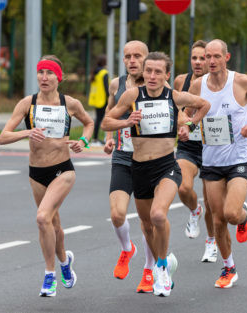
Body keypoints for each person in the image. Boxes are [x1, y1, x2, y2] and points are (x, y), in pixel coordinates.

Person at [102, 51, 211, 297]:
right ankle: (164, 261)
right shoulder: (132, 96)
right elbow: (106, 122)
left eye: (158, 72)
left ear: (167, 75)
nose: (152, 76)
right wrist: (126, 122)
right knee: (147, 225)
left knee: (158, 215)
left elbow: (204, 104)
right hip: (138, 167)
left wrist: (190, 126)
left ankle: (161, 268)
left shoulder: (174, 97)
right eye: (148, 71)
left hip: (166, 166)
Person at [0, 55, 94, 297]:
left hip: (62, 169)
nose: (44, 77)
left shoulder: (69, 103)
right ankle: (65, 262)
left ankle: (49, 275)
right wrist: (26, 133)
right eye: (40, 72)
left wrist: (83, 141)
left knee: (42, 218)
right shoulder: (27, 104)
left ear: (58, 78)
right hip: (36, 172)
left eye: (49, 73)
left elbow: (89, 123)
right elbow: (3, 137)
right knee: (52, 223)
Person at [190, 39, 247, 289]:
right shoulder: (197, 85)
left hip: (238, 157)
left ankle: (243, 216)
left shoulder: (241, 82)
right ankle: (229, 268)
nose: (211, 61)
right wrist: (188, 126)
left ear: (226, 58)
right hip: (212, 160)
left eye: (216, 56)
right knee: (217, 221)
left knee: (231, 214)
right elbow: (186, 112)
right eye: (207, 57)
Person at [102, 40, 157, 293]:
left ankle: (149, 269)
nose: (132, 60)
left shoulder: (159, 87)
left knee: (148, 220)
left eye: (137, 56)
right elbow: (109, 114)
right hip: (123, 156)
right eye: (127, 56)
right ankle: (127, 249)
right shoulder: (117, 84)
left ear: (147, 59)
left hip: (150, 159)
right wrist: (109, 136)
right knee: (117, 214)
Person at [174, 40, 217, 263]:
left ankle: (211, 241)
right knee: (183, 187)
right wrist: (183, 122)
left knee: (212, 203)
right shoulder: (182, 81)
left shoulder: (218, 81)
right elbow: (176, 108)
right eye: (195, 58)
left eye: (203, 58)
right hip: (189, 145)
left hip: (212, 144)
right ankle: (194, 210)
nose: (199, 62)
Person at [88, 55, 109, 145]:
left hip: (96, 99)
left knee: (98, 119)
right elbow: (106, 87)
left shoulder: (95, 72)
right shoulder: (104, 73)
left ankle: (95, 139)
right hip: (103, 100)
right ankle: (105, 139)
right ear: (105, 62)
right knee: (106, 118)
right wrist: (110, 98)